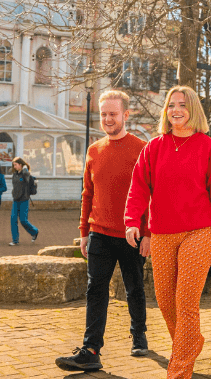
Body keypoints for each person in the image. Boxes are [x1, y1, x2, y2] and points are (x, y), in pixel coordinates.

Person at [125, 86, 211, 379]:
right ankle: (191, 341)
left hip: (199, 232)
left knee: (185, 303)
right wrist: (133, 220)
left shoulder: (209, 147)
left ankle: (179, 370)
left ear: (193, 109)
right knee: (165, 301)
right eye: (171, 105)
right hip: (161, 233)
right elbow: (138, 187)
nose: (176, 110)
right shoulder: (154, 147)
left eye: (182, 105)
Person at [56, 90, 150, 372]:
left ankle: (139, 333)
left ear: (126, 115)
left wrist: (148, 233)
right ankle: (91, 349)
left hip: (132, 235)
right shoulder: (94, 150)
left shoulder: (143, 149)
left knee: (134, 287)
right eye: (104, 114)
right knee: (96, 290)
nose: (108, 119)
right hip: (99, 233)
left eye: (113, 114)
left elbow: (151, 194)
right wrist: (84, 231)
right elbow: (87, 193)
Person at [9, 157, 39, 246]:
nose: (14, 166)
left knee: (23, 220)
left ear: (21, 165)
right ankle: (15, 240)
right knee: (13, 219)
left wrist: (25, 168)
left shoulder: (26, 174)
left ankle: (35, 231)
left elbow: (27, 177)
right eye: (13, 165)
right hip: (16, 200)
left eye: (15, 165)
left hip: (24, 200)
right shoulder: (15, 174)